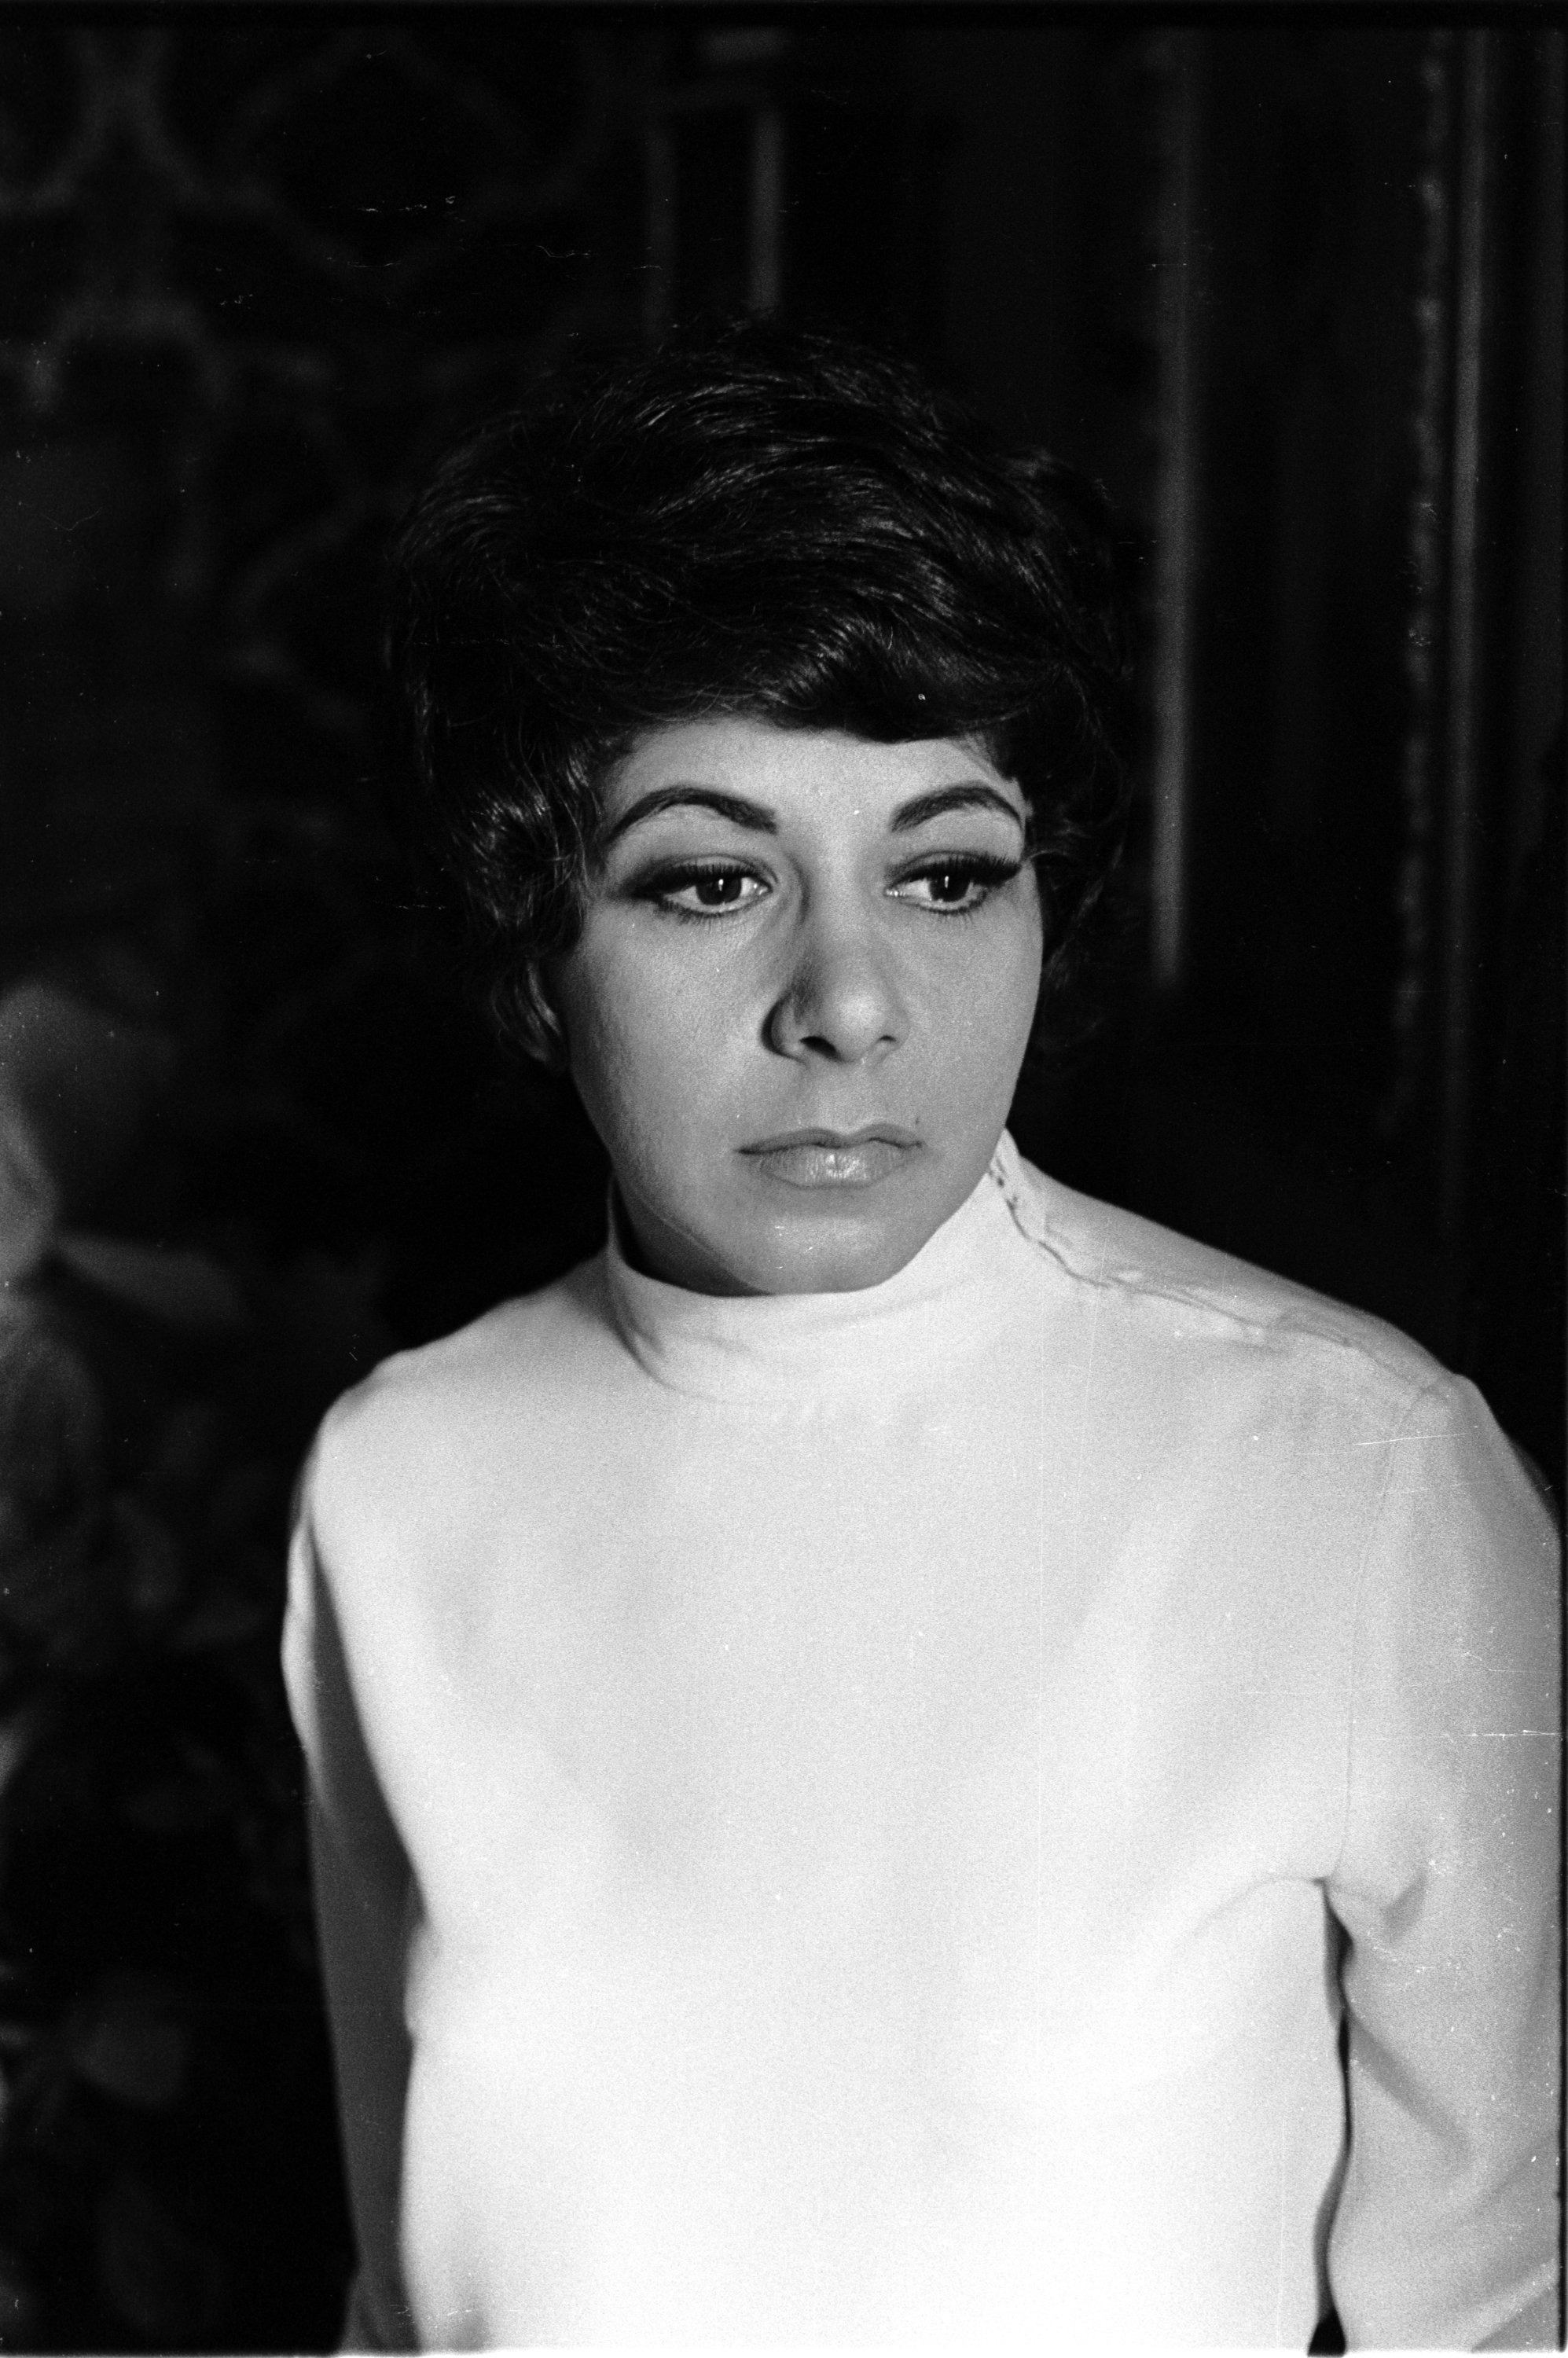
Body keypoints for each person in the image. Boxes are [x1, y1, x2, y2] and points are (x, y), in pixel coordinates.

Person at [283, 325, 1560, 2350]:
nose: (852, 1002)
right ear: (534, 950)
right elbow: (398, 2296)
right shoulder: (399, 1475)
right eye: (713, 880)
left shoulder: (1360, 1476)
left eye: (949, 874)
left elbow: (1502, 2317)